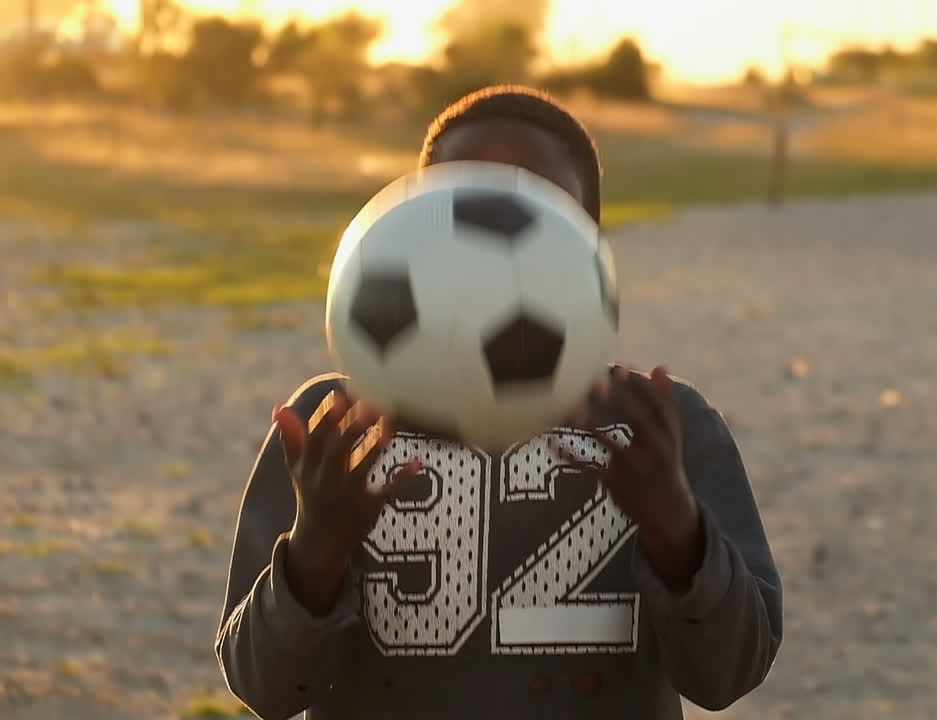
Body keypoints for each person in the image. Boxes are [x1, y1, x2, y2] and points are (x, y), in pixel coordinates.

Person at [214, 85, 783, 720]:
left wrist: (677, 530)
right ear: (415, 224)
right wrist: (316, 549)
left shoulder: (659, 427)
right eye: (465, 200)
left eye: (535, 209)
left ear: (589, 245)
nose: (493, 232)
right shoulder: (339, 432)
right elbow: (263, 687)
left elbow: (729, 674)